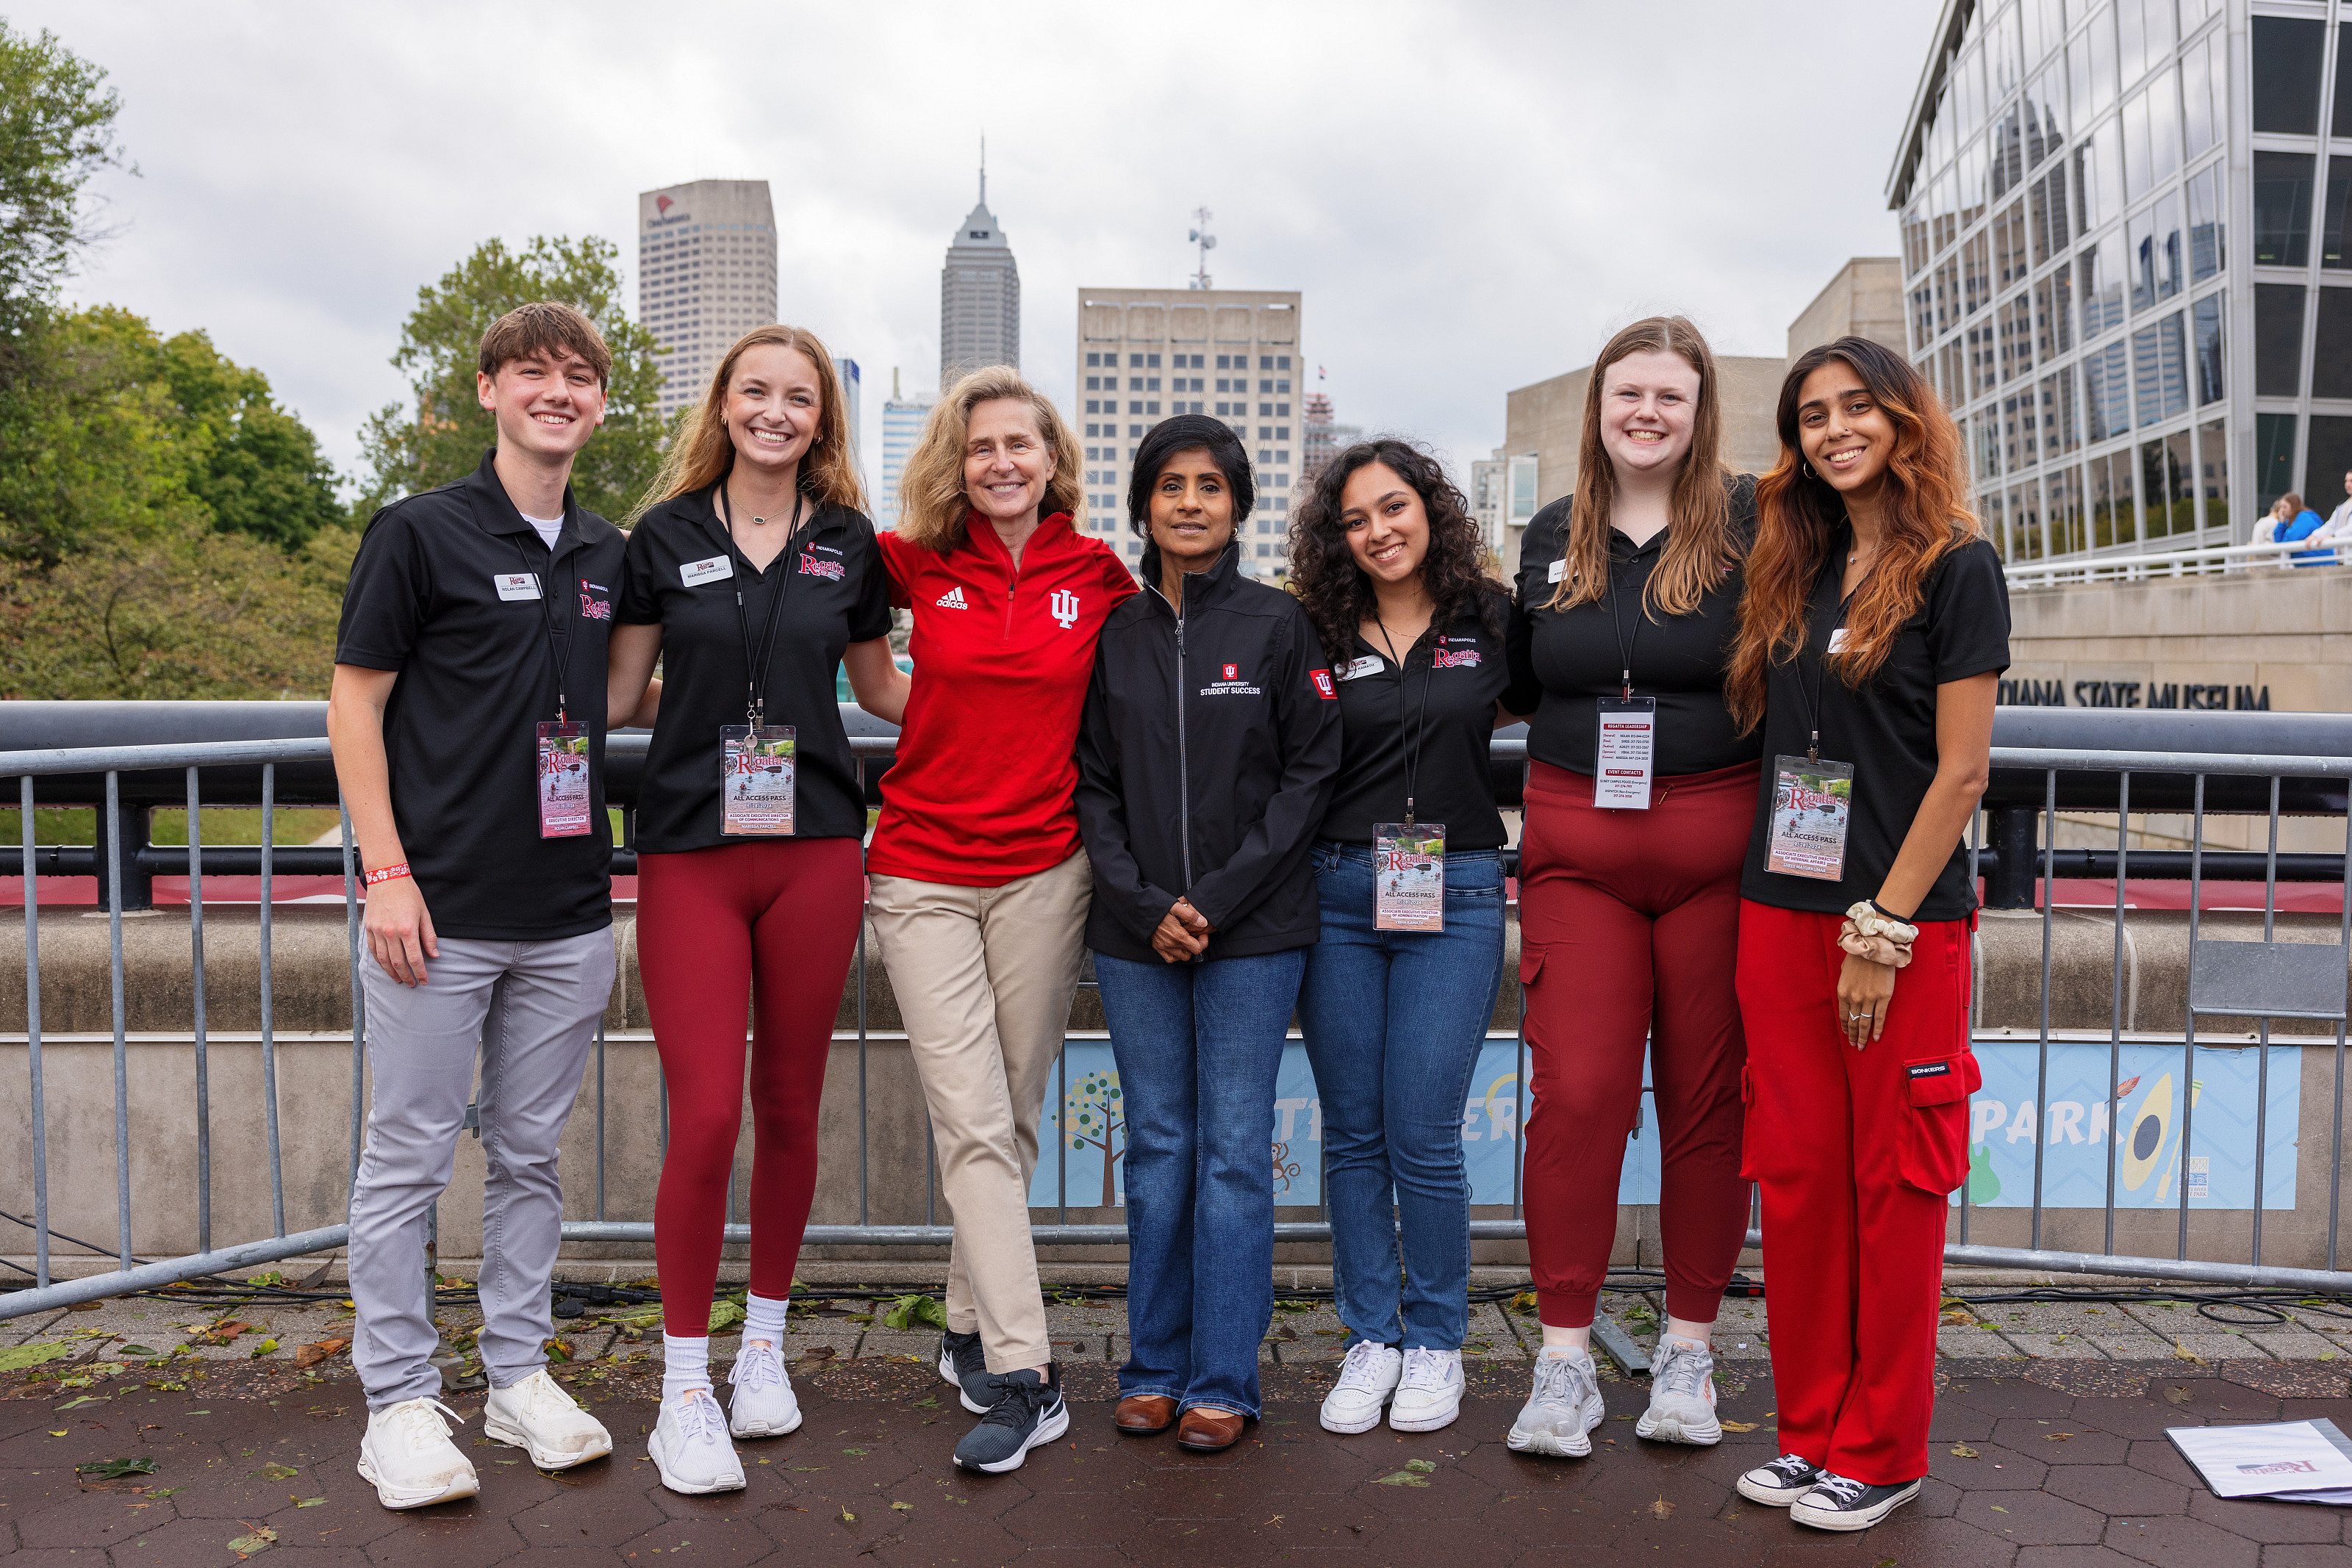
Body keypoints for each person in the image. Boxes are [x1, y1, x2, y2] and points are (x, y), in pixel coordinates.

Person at [327, 303, 625, 1509]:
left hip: (568, 908)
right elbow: (354, 709)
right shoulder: (417, 533)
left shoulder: (611, 552)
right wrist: (384, 873)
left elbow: (622, 701)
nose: (559, 392)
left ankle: (515, 1374)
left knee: (531, 1156)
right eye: (536, 373)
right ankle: (397, 1398)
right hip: (434, 909)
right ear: (492, 390)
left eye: (581, 377)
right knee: (404, 1158)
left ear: (599, 404)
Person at [609, 326, 908, 1494]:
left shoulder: (851, 546)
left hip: (820, 849)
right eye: (755, 392)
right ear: (724, 407)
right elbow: (621, 695)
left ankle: (765, 1348)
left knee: (791, 1104)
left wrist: (1015, 704)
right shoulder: (663, 538)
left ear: (823, 418)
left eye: (799, 397)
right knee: (708, 1114)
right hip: (690, 849)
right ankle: (684, 1385)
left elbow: (882, 689)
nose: (776, 412)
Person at [1724, 335, 2005, 1533]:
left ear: (1901, 418)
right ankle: (1811, 1432)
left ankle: (1883, 1446)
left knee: (1892, 1186)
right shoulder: (1801, 561)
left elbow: (1962, 772)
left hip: (1895, 926)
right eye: (1811, 415)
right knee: (1793, 1183)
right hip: (1776, 913)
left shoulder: (1959, 565)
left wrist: (1882, 924)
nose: (1834, 430)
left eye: (1855, 408)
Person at [1499, 316, 1763, 1461]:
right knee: (1585, 1093)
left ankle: (1689, 1350)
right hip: (1579, 854)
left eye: (1670, 394)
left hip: (1718, 854)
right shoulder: (1554, 531)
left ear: (1701, 413)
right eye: (1628, 394)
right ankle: (1564, 1359)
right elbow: (1510, 676)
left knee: (1707, 1103)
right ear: (1597, 409)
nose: (1647, 412)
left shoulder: (1753, 523)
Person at [866, 366, 1137, 1474]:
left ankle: (966, 1327)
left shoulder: (1099, 573)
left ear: (1052, 456)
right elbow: (843, 627)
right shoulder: (916, 563)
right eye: (981, 448)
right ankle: (1029, 1373)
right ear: (955, 461)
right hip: (923, 869)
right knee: (974, 1120)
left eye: (1020, 444)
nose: (1002, 463)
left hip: (1045, 874)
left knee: (1011, 1121)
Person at [1074, 414, 1342, 1453]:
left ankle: (1224, 1377)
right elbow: (1091, 782)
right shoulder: (1115, 632)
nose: (1190, 501)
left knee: (1233, 1150)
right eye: (1171, 485)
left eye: (1211, 487)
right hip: (1134, 931)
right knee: (1158, 1147)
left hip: (1255, 930)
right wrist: (1148, 902)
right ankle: (1152, 1365)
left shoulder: (1280, 626)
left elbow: (1310, 775)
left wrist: (1216, 899)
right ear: (1143, 503)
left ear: (1239, 505)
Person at [1285, 439, 1535, 1437]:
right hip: (1337, 891)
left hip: (1460, 889)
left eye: (1394, 507)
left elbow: (1533, 710)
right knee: (1351, 1131)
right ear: (1335, 536)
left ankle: (1436, 1341)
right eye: (1355, 518)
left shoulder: (1492, 615)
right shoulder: (1312, 626)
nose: (1379, 530)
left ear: (1430, 509)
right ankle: (1370, 1336)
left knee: (1423, 1131)